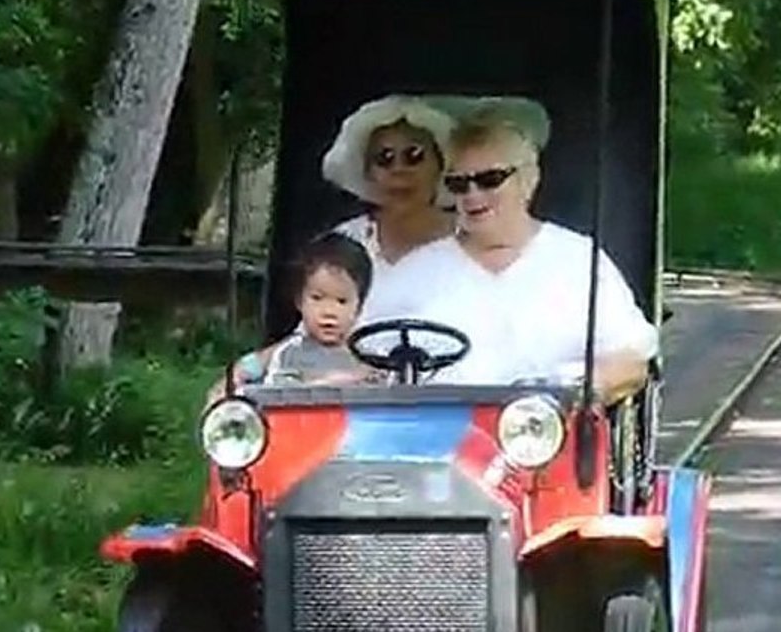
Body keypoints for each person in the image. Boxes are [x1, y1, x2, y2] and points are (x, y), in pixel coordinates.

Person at [382, 103, 658, 404]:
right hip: (438, 427)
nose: (473, 194)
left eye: (490, 179)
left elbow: (631, 363)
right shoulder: (414, 271)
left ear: (529, 179)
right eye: (459, 184)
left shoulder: (579, 261)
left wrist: (574, 388)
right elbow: (365, 361)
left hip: (549, 425)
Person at [206, 94, 457, 399]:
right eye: (384, 158)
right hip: (354, 400)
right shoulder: (347, 240)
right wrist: (240, 373)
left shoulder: (471, 241)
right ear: (368, 173)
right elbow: (305, 336)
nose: (399, 169)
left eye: (414, 155)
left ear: (440, 165)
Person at [209, 233, 379, 400]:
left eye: (341, 301)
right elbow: (284, 395)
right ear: (299, 301)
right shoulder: (289, 353)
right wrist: (336, 382)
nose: (329, 312)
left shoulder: (369, 360)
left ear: (359, 307)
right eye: (317, 298)